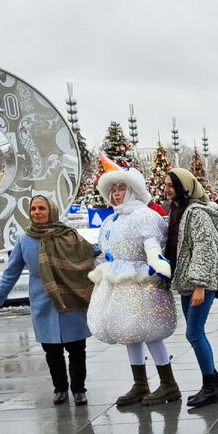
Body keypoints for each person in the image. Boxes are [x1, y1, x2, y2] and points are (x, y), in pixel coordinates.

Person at [0, 195, 95, 405]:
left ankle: (79, 389)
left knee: (76, 348)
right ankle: (60, 388)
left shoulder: (70, 236)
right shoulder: (25, 240)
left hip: (71, 298)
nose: (37, 212)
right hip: (43, 302)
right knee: (52, 351)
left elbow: (90, 254)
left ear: (51, 210)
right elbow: (11, 273)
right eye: (33, 208)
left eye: (41, 208)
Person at [87, 167, 180, 406]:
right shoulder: (112, 219)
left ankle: (168, 383)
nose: (116, 194)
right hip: (118, 283)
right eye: (113, 190)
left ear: (132, 190)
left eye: (121, 189)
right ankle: (140, 383)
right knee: (130, 333)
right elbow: (106, 251)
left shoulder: (144, 216)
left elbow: (152, 246)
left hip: (142, 282)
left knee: (150, 331)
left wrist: (157, 265)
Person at [165, 167, 218, 409]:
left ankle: (211, 386)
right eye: (166, 184)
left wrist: (201, 285)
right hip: (186, 283)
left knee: (194, 332)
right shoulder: (179, 211)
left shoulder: (197, 213)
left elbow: (204, 249)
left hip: (199, 284)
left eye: (172, 185)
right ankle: (211, 384)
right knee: (194, 333)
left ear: (185, 187)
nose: (167, 189)